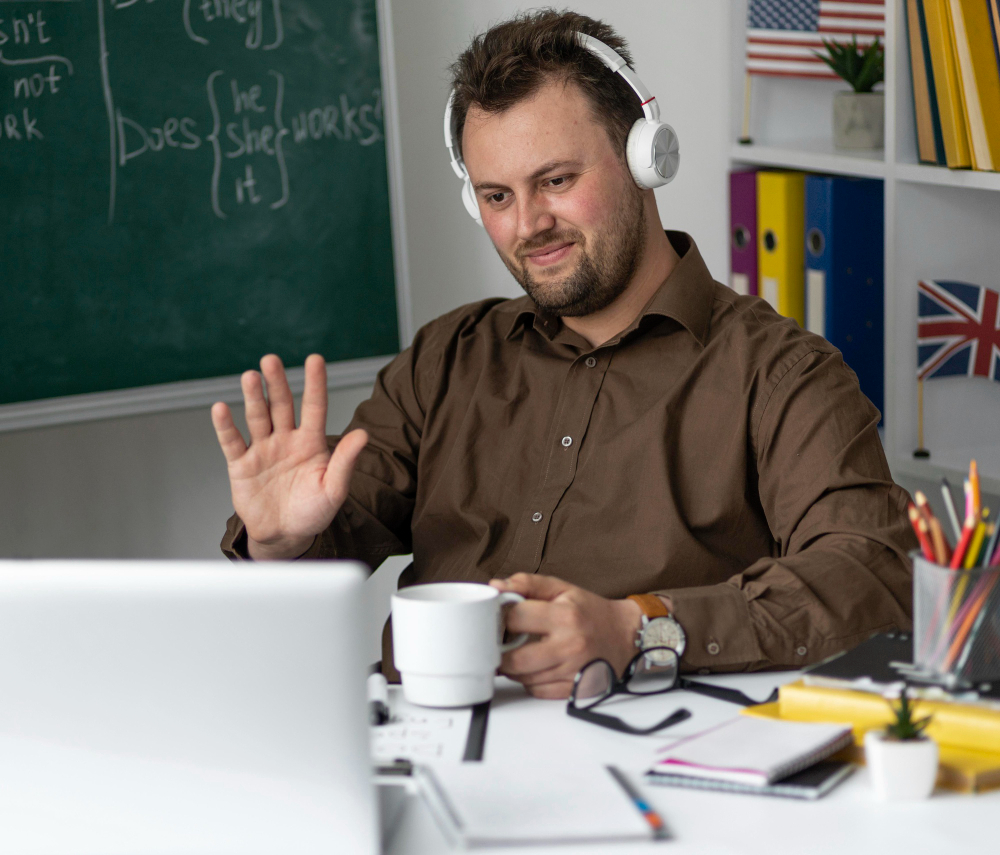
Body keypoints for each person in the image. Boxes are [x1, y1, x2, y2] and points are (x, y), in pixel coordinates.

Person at [213, 10, 916, 699]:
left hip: (650, 758)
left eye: (555, 180)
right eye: (496, 195)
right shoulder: (445, 359)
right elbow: (317, 556)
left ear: (646, 154)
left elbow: (872, 575)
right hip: (424, 750)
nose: (528, 225)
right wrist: (278, 542)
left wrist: (641, 630)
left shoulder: (781, 372)